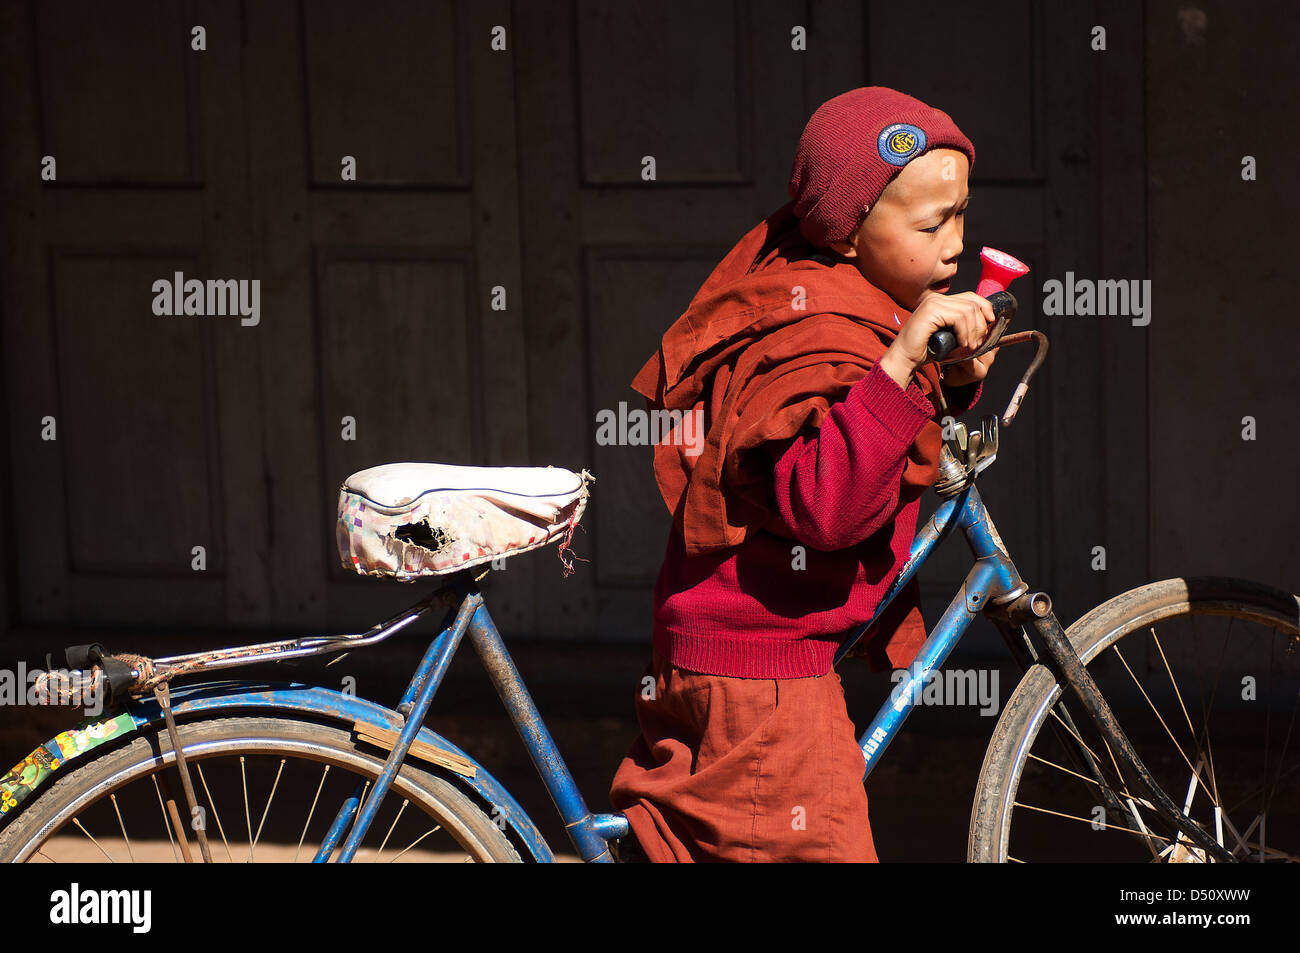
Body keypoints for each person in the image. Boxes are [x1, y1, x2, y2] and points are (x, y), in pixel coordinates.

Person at [609, 86, 1000, 862]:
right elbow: (825, 504)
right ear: (850, 234)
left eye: (959, 214)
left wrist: (946, 375)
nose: (956, 245)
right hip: (763, 694)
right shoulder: (818, 330)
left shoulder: (815, 278)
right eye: (932, 224)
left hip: (718, 656)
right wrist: (900, 362)